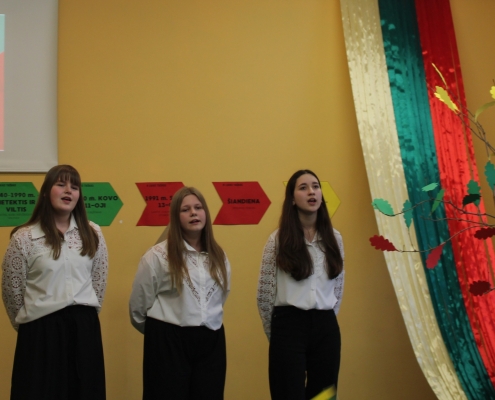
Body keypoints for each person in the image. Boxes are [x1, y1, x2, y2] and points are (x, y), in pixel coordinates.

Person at [1, 164, 108, 400]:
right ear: (46, 192)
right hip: (41, 331)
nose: (68, 190)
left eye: (74, 187)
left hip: (84, 329)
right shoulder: (24, 237)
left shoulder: (93, 233)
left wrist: (84, 318)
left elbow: (98, 281)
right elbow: (12, 290)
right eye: (61, 185)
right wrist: (32, 325)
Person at [130, 186, 231, 400]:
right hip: (168, 342)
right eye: (185, 210)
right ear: (175, 217)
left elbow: (220, 297)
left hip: (211, 341)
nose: (193, 213)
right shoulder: (157, 256)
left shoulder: (219, 256)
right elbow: (138, 307)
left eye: (198, 208)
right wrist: (160, 335)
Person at [257, 169, 344, 400]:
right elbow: (265, 295)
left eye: (315, 186)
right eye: (303, 188)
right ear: (292, 199)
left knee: (324, 395)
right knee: (287, 393)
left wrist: (324, 320)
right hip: (288, 326)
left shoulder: (335, 238)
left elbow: (338, 288)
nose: (311, 192)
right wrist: (277, 334)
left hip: (325, 327)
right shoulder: (278, 240)